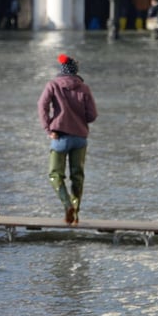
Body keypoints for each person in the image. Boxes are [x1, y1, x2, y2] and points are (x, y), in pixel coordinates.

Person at [37, 54, 98, 225]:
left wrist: (48, 128)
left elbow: (42, 106)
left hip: (60, 137)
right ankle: (76, 212)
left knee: (55, 175)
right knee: (77, 176)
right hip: (80, 138)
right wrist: (80, 119)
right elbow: (92, 115)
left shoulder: (53, 85)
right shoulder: (84, 88)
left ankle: (67, 205)